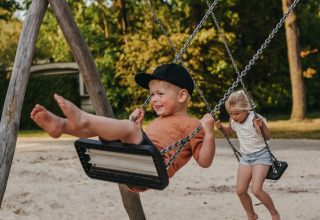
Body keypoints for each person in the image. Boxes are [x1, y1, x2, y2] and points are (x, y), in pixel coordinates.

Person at [30, 63, 216, 192]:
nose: (153, 99)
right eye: (151, 94)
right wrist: (139, 128)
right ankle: (62, 126)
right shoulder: (159, 120)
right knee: (110, 128)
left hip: (152, 169)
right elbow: (151, 140)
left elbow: (204, 162)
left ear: (182, 96)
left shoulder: (195, 125)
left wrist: (209, 133)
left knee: (127, 127)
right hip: (132, 163)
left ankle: (82, 119)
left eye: (160, 93)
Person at [214, 90, 280, 220]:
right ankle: (252, 215)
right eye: (231, 113)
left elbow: (267, 137)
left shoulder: (254, 119)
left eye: (236, 113)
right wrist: (221, 128)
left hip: (261, 156)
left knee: (256, 190)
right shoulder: (233, 120)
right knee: (240, 191)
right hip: (246, 157)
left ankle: (274, 213)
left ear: (246, 109)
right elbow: (230, 132)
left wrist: (262, 127)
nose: (233, 117)